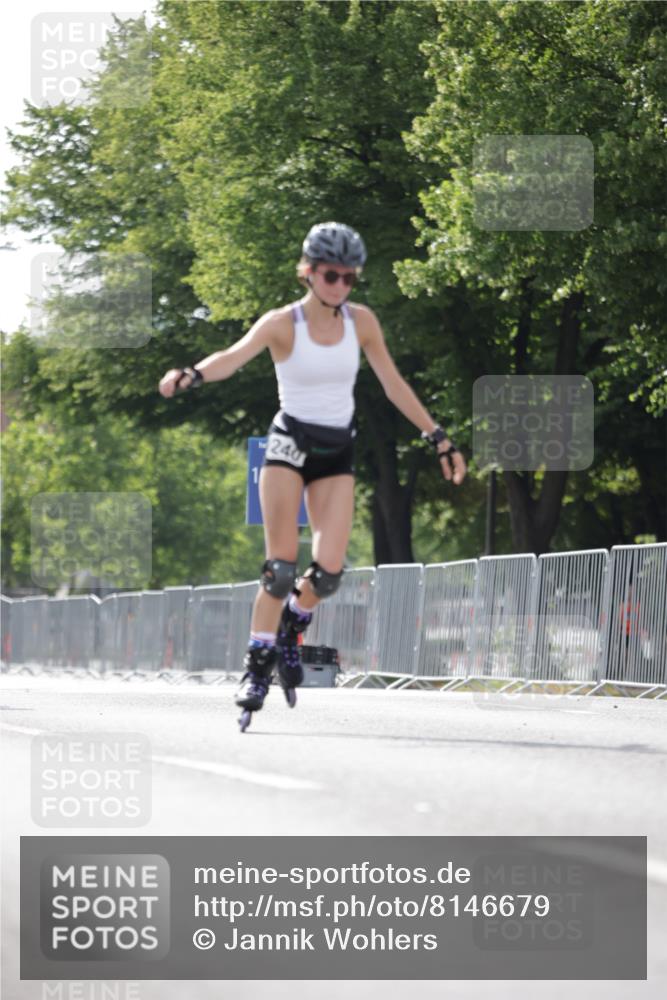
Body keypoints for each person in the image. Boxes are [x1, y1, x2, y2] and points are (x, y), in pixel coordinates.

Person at [158, 221, 467, 725]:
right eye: (331, 275)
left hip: (335, 451)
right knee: (280, 570)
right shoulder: (282, 324)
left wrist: (440, 438)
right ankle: (257, 666)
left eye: (349, 277)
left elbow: (393, 384)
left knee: (327, 576)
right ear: (308, 272)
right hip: (289, 446)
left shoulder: (362, 322)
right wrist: (191, 374)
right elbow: (232, 358)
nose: (340, 285)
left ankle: (291, 627)